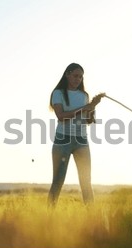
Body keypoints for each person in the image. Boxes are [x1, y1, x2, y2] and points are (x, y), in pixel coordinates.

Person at [49, 63, 104, 205]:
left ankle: (92, 218)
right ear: (67, 74)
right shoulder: (58, 93)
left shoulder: (84, 95)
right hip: (63, 140)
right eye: (75, 76)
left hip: (81, 140)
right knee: (58, 182)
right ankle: (48, 216)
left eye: (80, 77)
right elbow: (61, 116)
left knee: (86, 182)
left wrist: (92, 106)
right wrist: (84, 108)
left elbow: (89, 120)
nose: (78, 79)